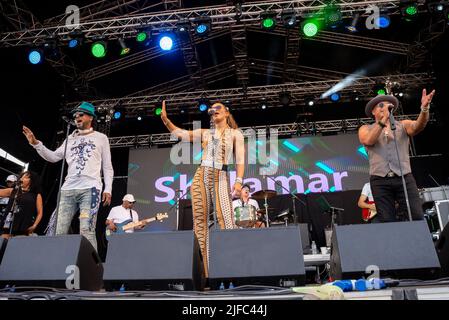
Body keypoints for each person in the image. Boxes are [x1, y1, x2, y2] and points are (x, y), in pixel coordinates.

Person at [160, 100, 245, 277]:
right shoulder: (206, 133)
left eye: (218, 108)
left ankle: (233, 269)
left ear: (227, 113)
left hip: (220, 175)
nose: (214, 111)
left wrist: (238, 181)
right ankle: (205, 274)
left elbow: (240, 160)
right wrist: (166, 120)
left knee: (226, 221)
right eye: (212, 110)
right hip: (201, 175)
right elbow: (182, 134)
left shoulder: (235, 134)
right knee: (199, 224)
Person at [22, 102, 114, 250]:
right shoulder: (69, 139)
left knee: (86, 230)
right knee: (59, 230)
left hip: (90, 189)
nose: (77, 117)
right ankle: (57, 265)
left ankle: (93, 270)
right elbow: (52, 157)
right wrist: (36, 144)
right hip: (67, 190)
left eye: (81, 114)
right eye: (75, 115)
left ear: (91, 117)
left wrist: (108, 188)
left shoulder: (101, 138)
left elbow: (107, 167)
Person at [358, 89, 435, 223]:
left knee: (416, 215)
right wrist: (382, 122)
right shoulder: (365, 128)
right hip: (380, 180)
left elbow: (418, 126)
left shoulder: (402, 125)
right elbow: (368, 140)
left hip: (404, 177)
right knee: (387, 220)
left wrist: (424, 109)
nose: (385, 107)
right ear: (373, 111)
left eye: (388, 105)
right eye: (380, 105)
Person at [0, 171, 43, 238]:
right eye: (21, 177)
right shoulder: (13, 191)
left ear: (31, 181)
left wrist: (34, 225)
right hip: (8, 225)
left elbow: (40, 212)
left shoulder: (36, 195)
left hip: (24, 228)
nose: (22, 179)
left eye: (25, 177)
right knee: (3, 243)